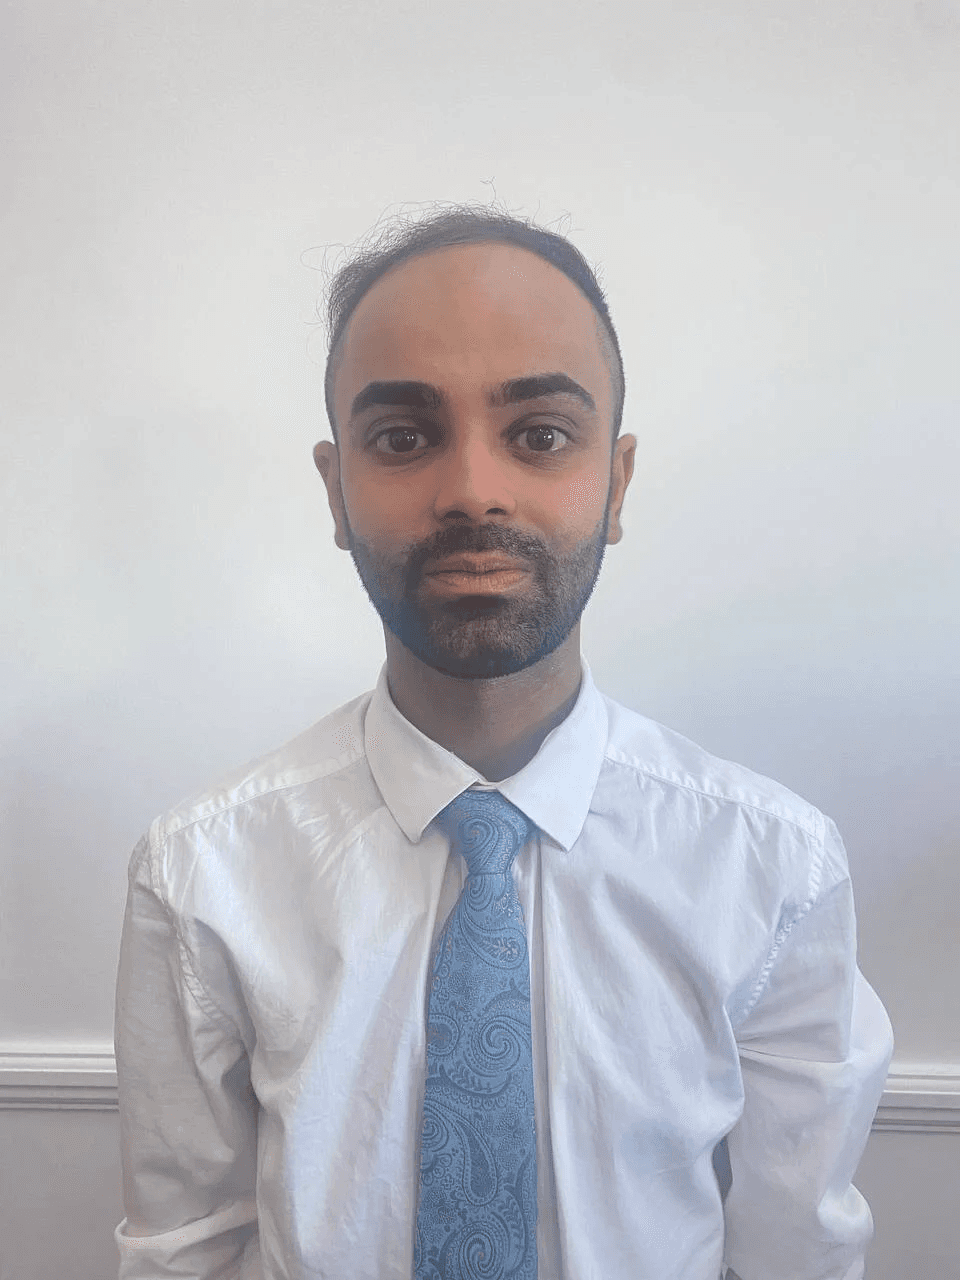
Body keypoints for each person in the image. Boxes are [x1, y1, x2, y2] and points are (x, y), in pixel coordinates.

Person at [113, 206, 895, 1280]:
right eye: (404, 437)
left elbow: (797, 1252)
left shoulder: (772, 873)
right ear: (336, 489)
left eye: (539, 434)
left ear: (616, 482)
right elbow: (183, 1252)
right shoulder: (203, 876)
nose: (473, 490)